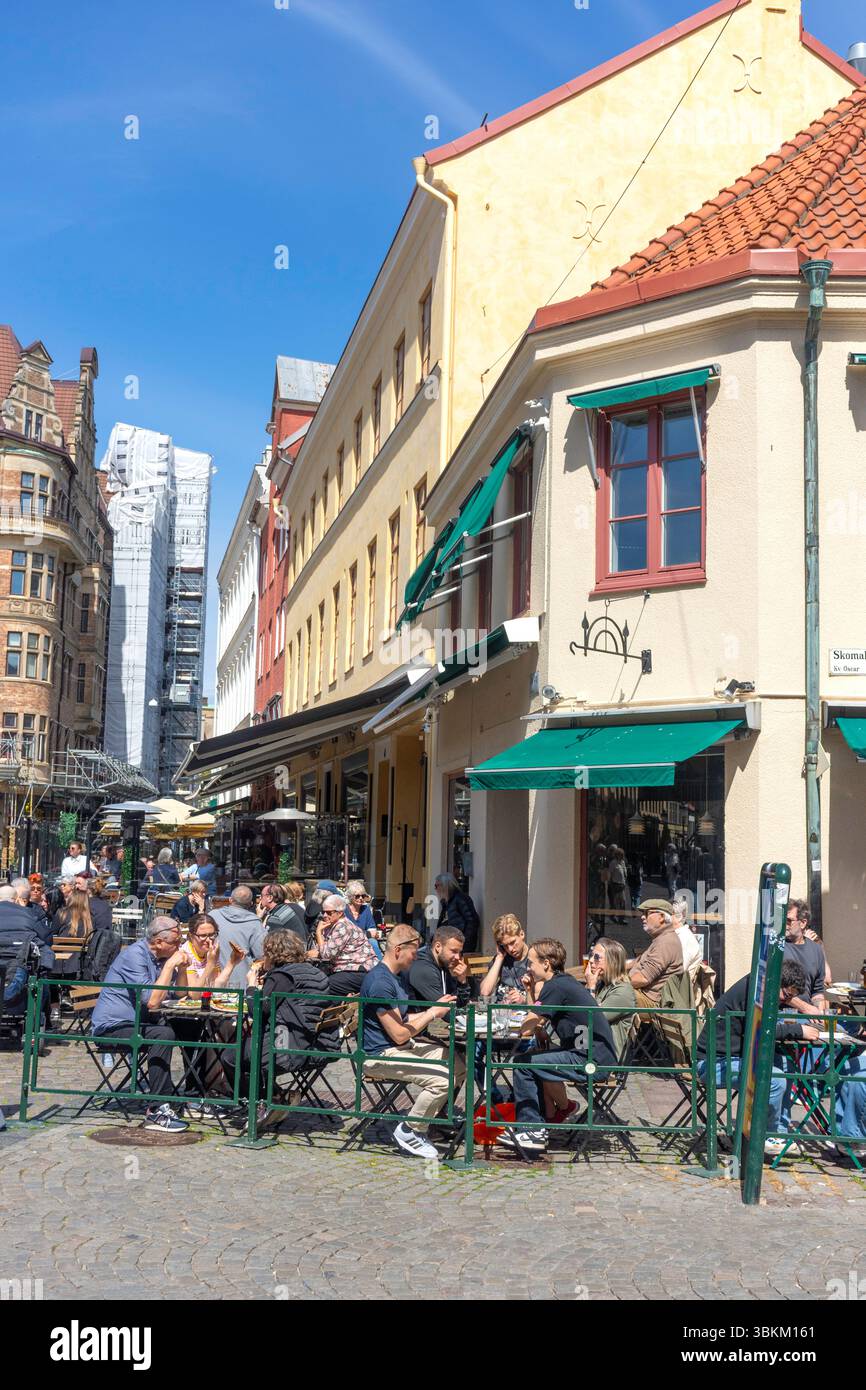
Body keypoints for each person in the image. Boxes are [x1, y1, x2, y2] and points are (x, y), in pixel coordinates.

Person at [499, 938, 617, 1156]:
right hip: (590, 1054)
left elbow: (530, 1026)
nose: (528, 968)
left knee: (522, 1064)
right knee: (533, 1057)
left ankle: (532, 1131)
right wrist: (531, 992)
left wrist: (506, 1025)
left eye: (531, 963)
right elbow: (539, 1020)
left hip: (590, 1061)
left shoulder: (555, 986)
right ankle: (538, 1123)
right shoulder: (562, 982)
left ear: (546, 964)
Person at [360, 923, 465, 1160]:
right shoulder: (379, 983)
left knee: (457, 1063)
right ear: (398, 950)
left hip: (399, 1047)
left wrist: (435, 1010)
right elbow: (398, 1033)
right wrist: (432, 1013)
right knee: (441, 1079)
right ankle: (410, 1130)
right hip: (380, 1054)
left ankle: (430, 1120)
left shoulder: (394, 978)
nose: (416, 957)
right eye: (413, 952)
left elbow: (405, 1018)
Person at [696, 961, 821, 1156]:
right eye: (786, 995)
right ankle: (763, 1136)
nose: (785, 1001)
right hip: (713, 1064)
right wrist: (798, 1030)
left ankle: (778, 1132)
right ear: (776, 983)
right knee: (775, 1079)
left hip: (732, 1057)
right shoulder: (753, 992)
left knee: (785, 1064)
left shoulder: (758, 985)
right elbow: (759, 1030)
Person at [90, 917, 189, 1132]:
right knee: (163, 1035)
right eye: (175, 942)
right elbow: (153, 1001)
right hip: (113, 1027)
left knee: (188, 1026)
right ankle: (157, 1110)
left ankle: (196, 1095)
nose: (179, 946)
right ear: (158, 942)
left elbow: (180, 994)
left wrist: (180, 968)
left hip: (138, 1022)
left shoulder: (160, 957)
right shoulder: (135, 956)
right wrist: (171, 964)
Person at [245, 928, 336, 1076]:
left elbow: (258, 1011)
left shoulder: (283, 976)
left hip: (288, 1049)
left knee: (230, 1056)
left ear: (271, 953)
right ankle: (276, 1094)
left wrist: (251, 987)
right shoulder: (314, 972)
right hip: (320, 1044)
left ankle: (268, 1096)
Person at [308, 893, 376, 996]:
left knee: (324, 985)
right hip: (350, 969)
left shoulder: (342, 926)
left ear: (339, 913)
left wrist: (318, 933)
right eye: (323, 912)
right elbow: (322, 950)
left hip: (359, 970)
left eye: (329, 912)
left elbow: (326, 955)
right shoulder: (334, 925)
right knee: (318, 980)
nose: (324, 915)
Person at [583, 937, 639, 1059]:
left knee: (540, 1063)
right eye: (591, 956)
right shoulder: (603, 984)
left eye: (597, 957)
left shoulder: (623, 991)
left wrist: (591, 987)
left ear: (612, 961)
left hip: (603, 1058)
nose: (591, 961)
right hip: (588, 1046)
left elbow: (592, 1020)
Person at [628, 899, 685, 1007]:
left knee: (618, 994)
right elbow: (636, 962)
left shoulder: (666, 943)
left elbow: (643, 979)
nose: (642, 917)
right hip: (644, 996)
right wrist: (611, 967)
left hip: (652, 1002)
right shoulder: (661, 939)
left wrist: (615, 982)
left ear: (662, 917)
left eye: (647, 913)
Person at [211, 885, 266, 989]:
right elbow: (262, 954)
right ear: (250, 904)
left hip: (212, 981)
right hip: (241, 983)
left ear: (230, 900)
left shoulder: (213, 916)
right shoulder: (255, 923)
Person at [408, 925, 470, 1006]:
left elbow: (458, 1003)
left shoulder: (443, 965)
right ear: (438, 947)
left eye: (459, 952)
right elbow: (445, 1011)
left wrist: (462, 981)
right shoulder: (424, 969)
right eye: (454, 951)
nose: (458, 957)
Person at [783, 899, 827, 1009]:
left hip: (808, 1014)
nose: (784, 924)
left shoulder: (816, 949)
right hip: (781, 1013)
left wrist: (819, 1009)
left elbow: (817, 991)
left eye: (789, 921)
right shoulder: (777, 947)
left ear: (803, 923)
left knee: (843, 1026)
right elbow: (774, 989)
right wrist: (807, 1009)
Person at [479, 914, 531, 1001]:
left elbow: (543, 1000)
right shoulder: (501, 958)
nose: (510, 949)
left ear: (522, 934)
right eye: (505, 946)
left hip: (525, 1011)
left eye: (512, 942)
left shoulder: (534, 958)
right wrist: (499, 958)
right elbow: (485, 992)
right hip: (501, 1010)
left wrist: (525, 1000)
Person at [434, 872, 480, 953]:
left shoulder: (460, 899)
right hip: (452, 946)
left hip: (460, 947)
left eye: (436, 886)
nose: (435, 889)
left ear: (445, 885)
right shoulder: (447, 902)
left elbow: (472, 921)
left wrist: (464, 946)